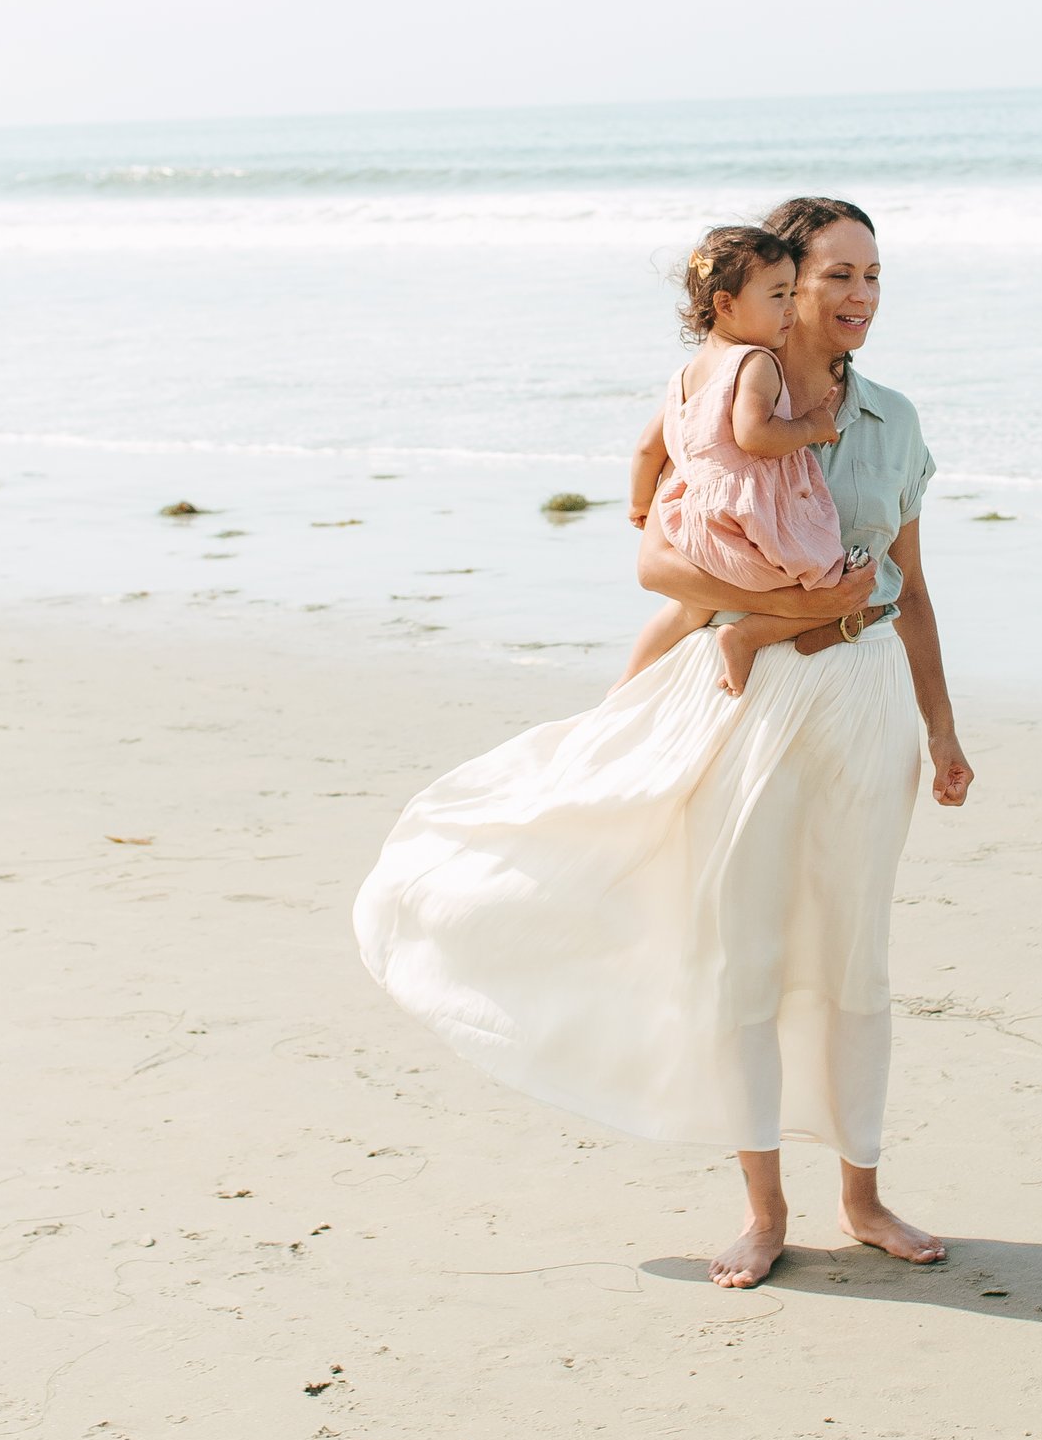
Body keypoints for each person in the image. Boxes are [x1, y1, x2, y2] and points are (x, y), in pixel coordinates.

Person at [353, 194, 972, 1287]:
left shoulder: (897, 422)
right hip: (749, 701)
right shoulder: (739, 400)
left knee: (856, 953)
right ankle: (762, 1209)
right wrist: (773, 616)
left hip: (868, 696)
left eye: (875, 276)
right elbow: (660, 566)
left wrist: (942, 728)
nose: (860, 296)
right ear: (780, 289)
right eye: (836, 276)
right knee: (745, 949)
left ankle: (864, 1196)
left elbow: (910, 590)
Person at [622, 220, 872, 698]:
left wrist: (639, 504)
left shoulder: (685, 376)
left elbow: (648, 448)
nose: (791, 311)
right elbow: (755, 435)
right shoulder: (754, 363)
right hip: (747, 515)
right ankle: (747, 636)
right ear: (725, 304)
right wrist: (812, 427)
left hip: (693, 517)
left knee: (689, 606)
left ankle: (626, 684)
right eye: (778, 296)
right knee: (838, 590)